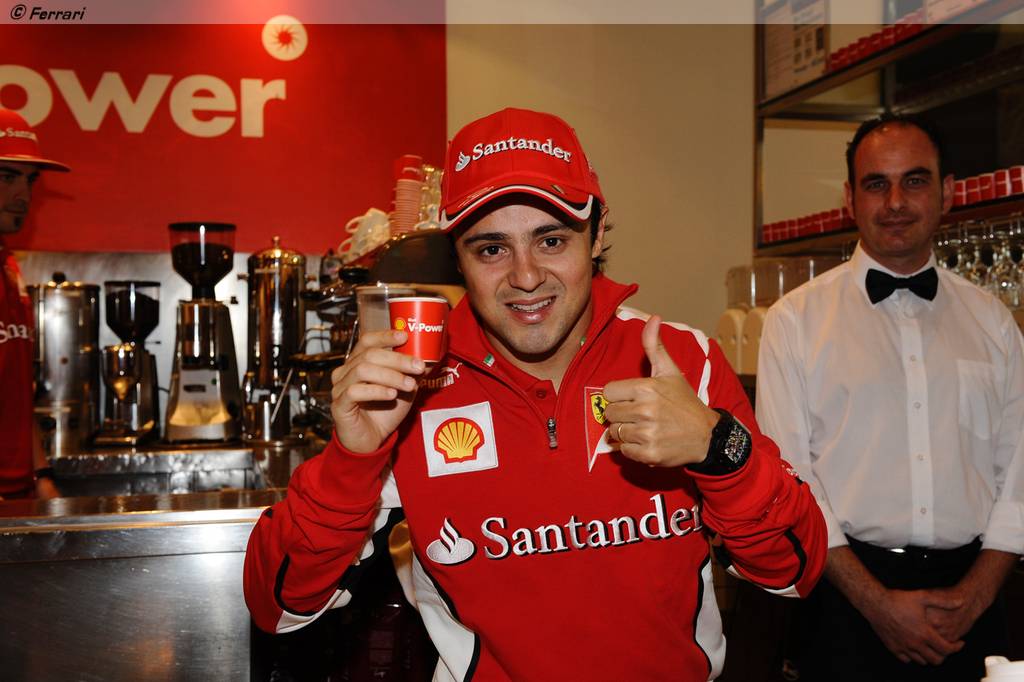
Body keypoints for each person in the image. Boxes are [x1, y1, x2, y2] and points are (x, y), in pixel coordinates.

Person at [245, 107, 826, 681]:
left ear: (597, 234)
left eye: (550, 240)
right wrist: (352, 460)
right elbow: (281, 607)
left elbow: (792, 572)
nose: (525, 277)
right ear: (458, 258)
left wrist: (719, 448)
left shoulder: (681, 360)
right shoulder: (410, 385)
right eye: (491, 249)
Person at [756, 113, 1024, 681]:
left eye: (915, 180)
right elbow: (789, 482)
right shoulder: (794, 322)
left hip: (974, 601)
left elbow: (1021, 470)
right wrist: (876, 603)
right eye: (877, 183)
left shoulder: (994, 322)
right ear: (850, 199)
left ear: (948, 192)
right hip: (843, 601)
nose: (896, 201)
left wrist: (977, 595)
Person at [0, 108, 68, 501]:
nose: (23, 195)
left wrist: (41, 475)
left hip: (18, 493)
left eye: (29, 180)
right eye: (6, 177)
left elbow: (15, 390)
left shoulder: (10, 269)